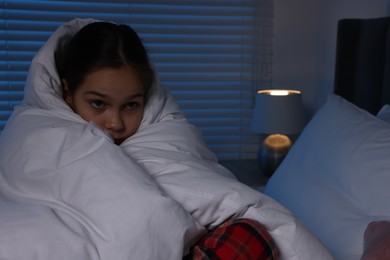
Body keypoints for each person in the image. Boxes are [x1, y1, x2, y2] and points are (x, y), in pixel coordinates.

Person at [0, 18, 332, 260]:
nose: (114, 123)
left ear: (148, 97)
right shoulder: (38, 127)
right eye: (97, 103)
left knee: (252, 234)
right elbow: (137, 217)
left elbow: (198, 179)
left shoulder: (163, 126)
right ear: (66, 91)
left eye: (132, 104)